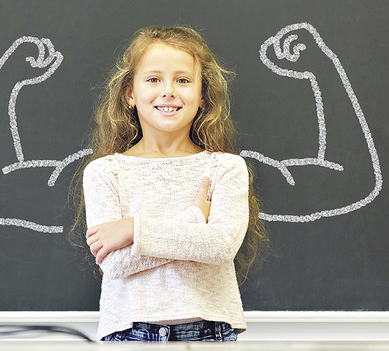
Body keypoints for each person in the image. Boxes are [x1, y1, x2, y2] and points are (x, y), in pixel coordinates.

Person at [70, 25, 268, 342]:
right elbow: (117, 264)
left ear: (202, 96)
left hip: (208, 331)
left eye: (183, 80)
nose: (169, 91)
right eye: (153, 79)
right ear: (130, 94)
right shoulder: (105, 172)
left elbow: (219, 247)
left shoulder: (225, 168)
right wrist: (192, 219)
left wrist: (134, 229)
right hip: (128, 331)